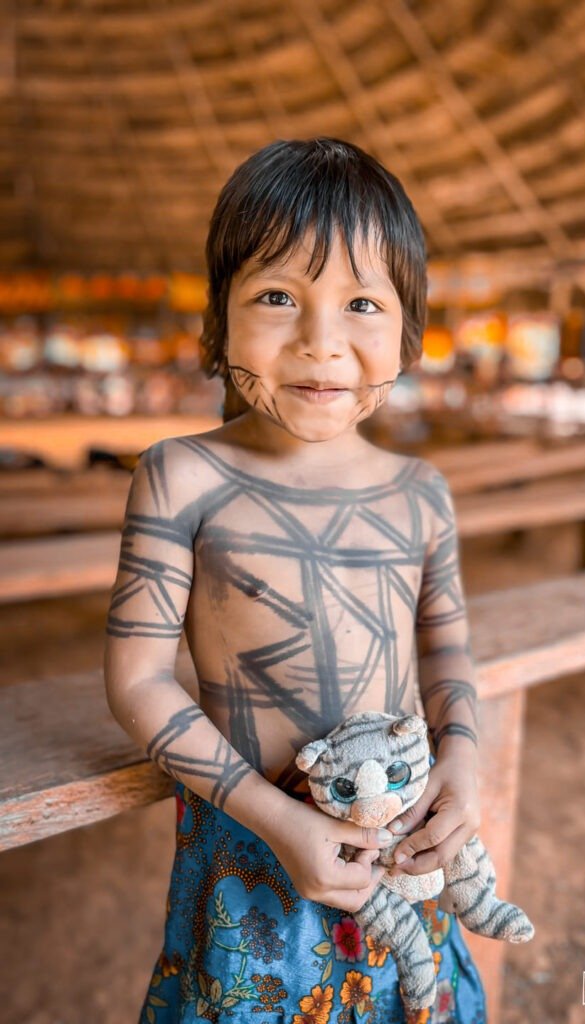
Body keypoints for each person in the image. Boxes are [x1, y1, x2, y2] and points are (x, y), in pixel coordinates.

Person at [104, 137, 486, 1024]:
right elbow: (136, 680)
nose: (321, 343)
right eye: (278, 296)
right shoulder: (180, 476)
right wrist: (284, 826)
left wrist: (462, 760)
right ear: (219, 320)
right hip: (252, 857)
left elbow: (449, 653)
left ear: (409, 331)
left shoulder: (421, 492)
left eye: (361, 302)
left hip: (403, 850)